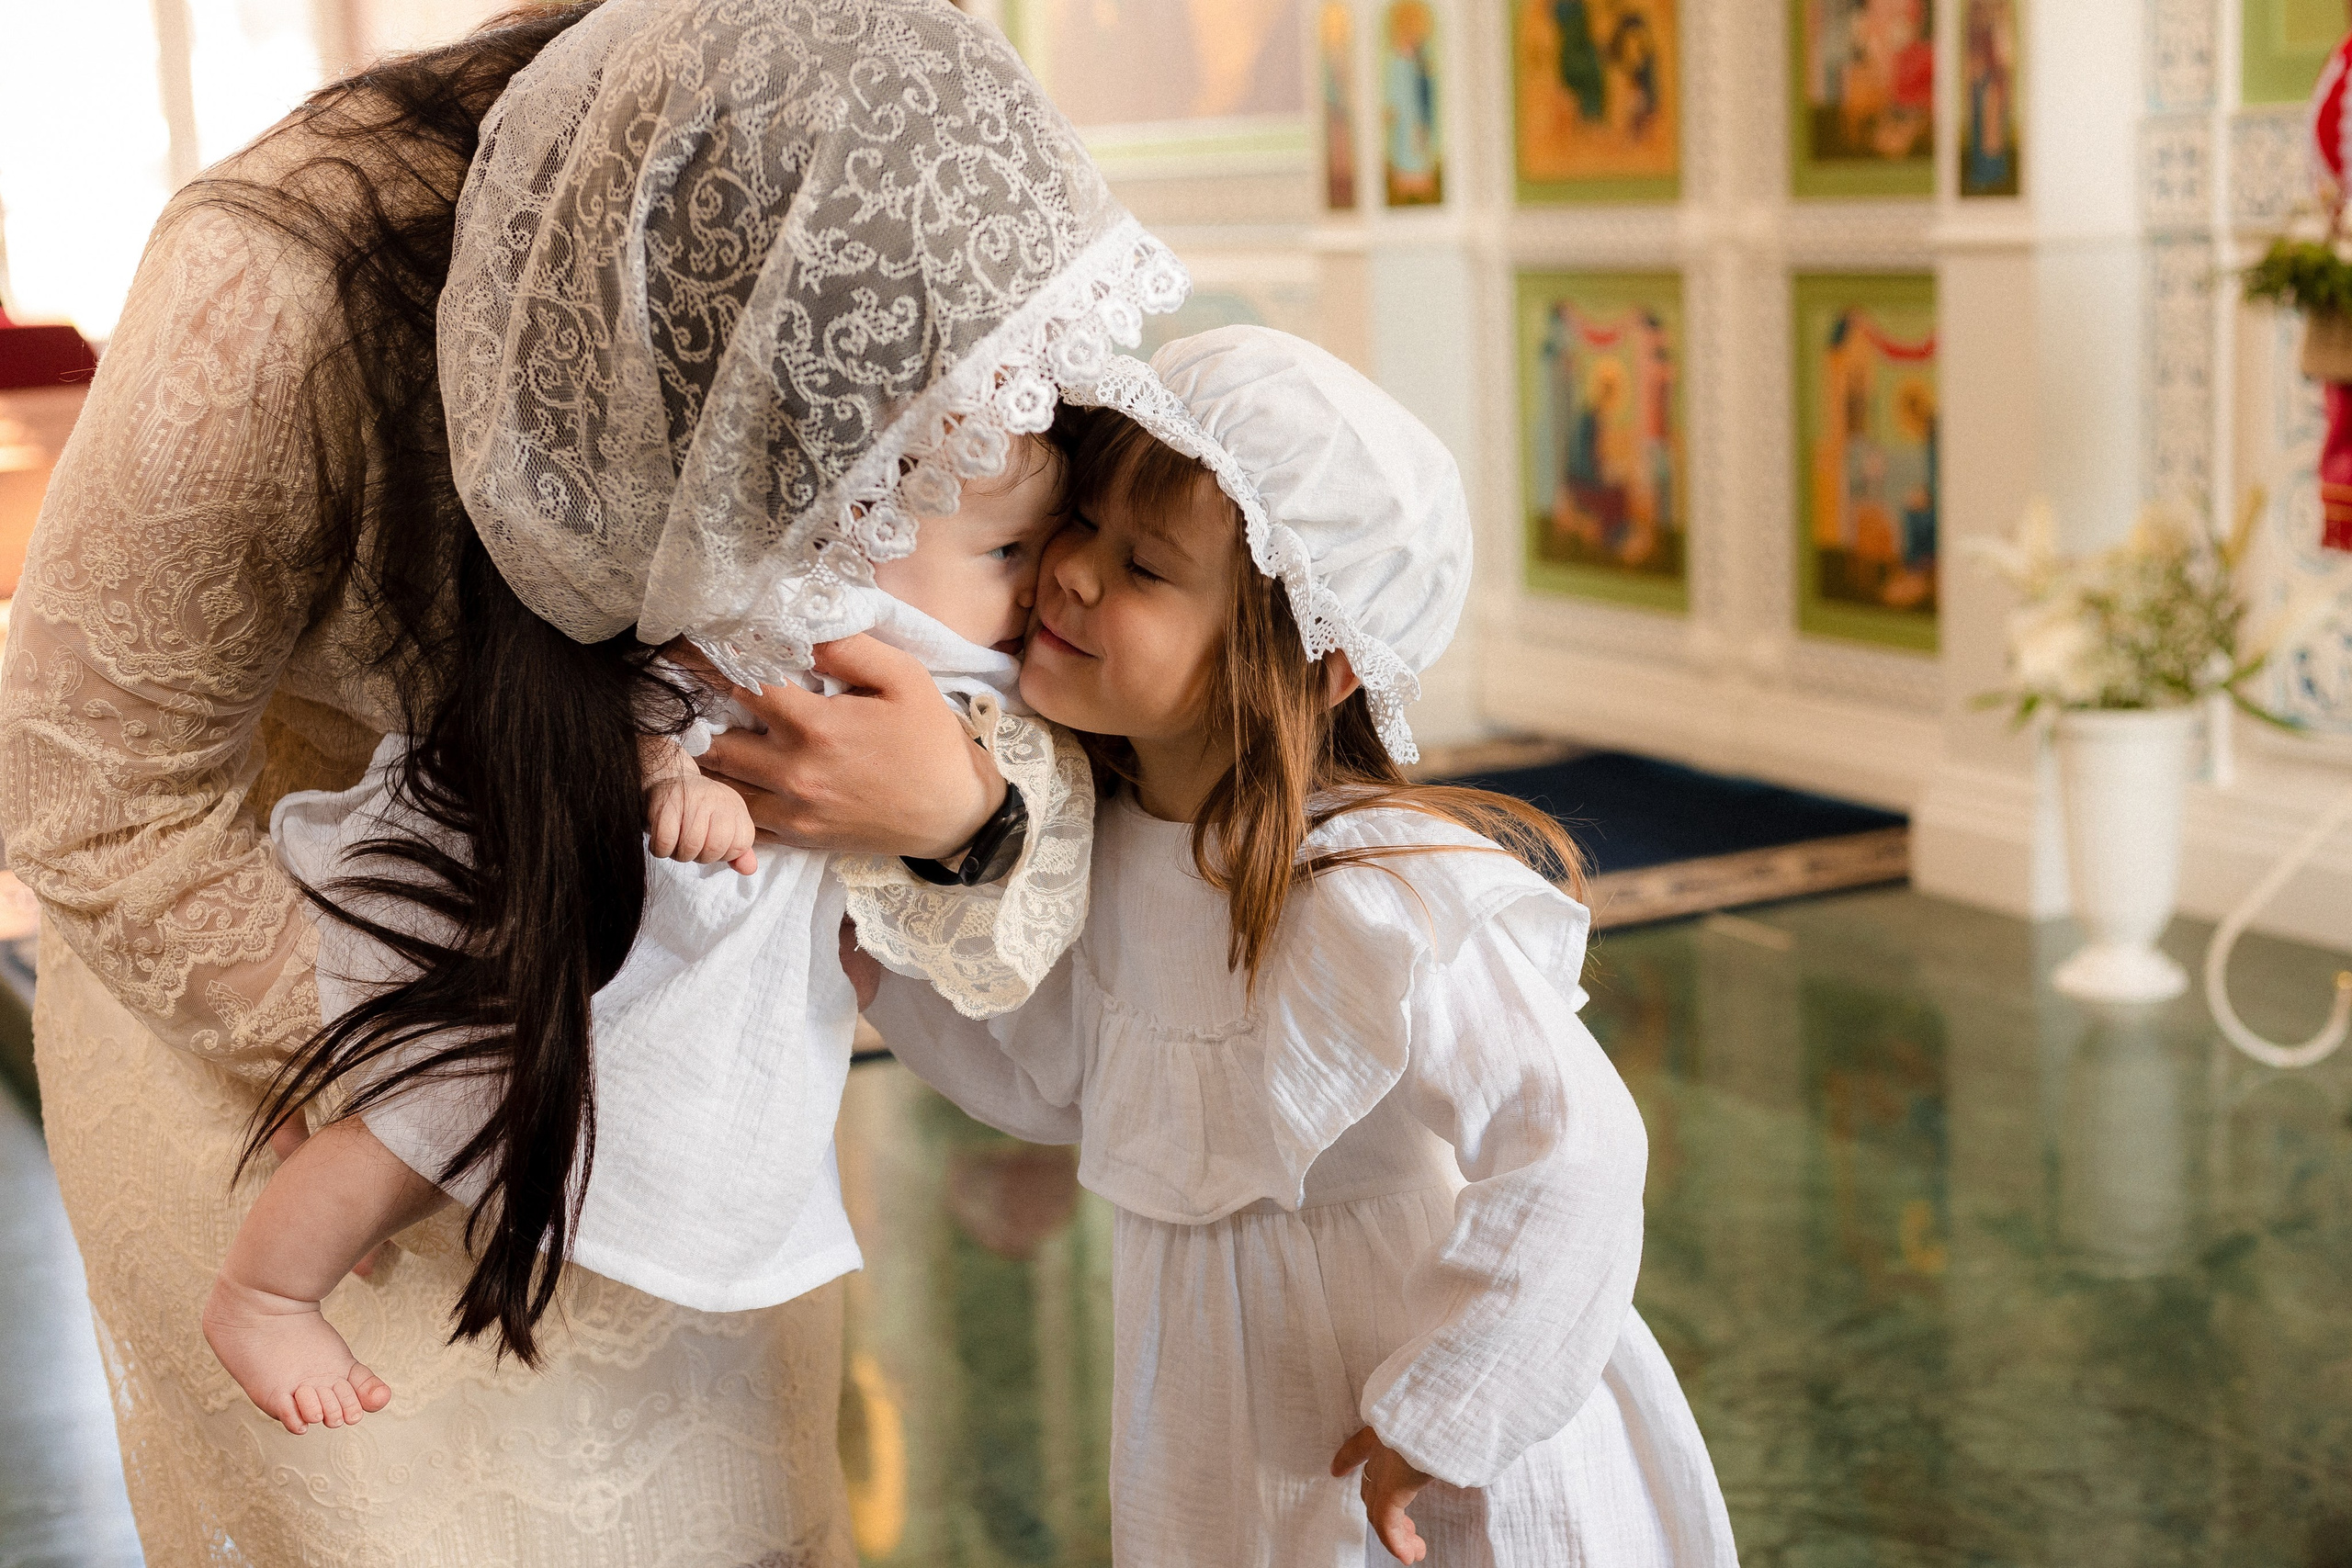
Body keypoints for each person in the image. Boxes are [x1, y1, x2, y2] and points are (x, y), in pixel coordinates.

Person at [0, 0, 1183, 1557]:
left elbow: (994, 660)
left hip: (669, 1096)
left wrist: (959, 811)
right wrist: (461, 1061)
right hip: (331, 974)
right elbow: (88, 778)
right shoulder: (278, 280)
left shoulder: (905, 207)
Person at [864, 326, 1740, 1566]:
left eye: (1144, 566)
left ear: (1312, 665)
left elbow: (1577, 1144)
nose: (1073, 575)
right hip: (1225, 1413)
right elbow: (1051, 1074)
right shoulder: (1104, 848)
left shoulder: (1374, 885)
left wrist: (1452, 1406)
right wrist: (878, 952)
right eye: (1087, 525)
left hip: (1418, 1423)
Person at [208, 424, 1096, 1434]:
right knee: (425, 1121)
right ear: (865, 527)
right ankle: (265, 1295)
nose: (1035, 587)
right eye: (1005, 551)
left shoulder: (969, 682)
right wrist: (670, 773)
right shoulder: (789, 617)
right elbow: (633, 688)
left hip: (697, 1002)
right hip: (595, 943)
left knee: (515, 1152)